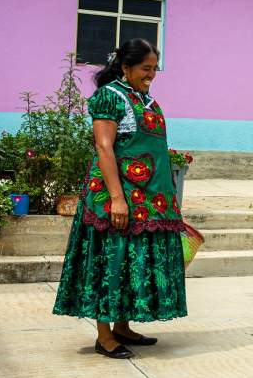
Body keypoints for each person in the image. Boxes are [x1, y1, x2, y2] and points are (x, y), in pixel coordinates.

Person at [53, 39, 187, 358]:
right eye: (145, 68)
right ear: (125, 67)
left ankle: (122, 327)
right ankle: (104, 336)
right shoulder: (109, 98)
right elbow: (104, 147)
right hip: (116, 195)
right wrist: (117, 198)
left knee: (128, 262)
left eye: (155, 69)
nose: (151, 74)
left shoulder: (145, 100)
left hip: (146, 199)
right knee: (109, 260)